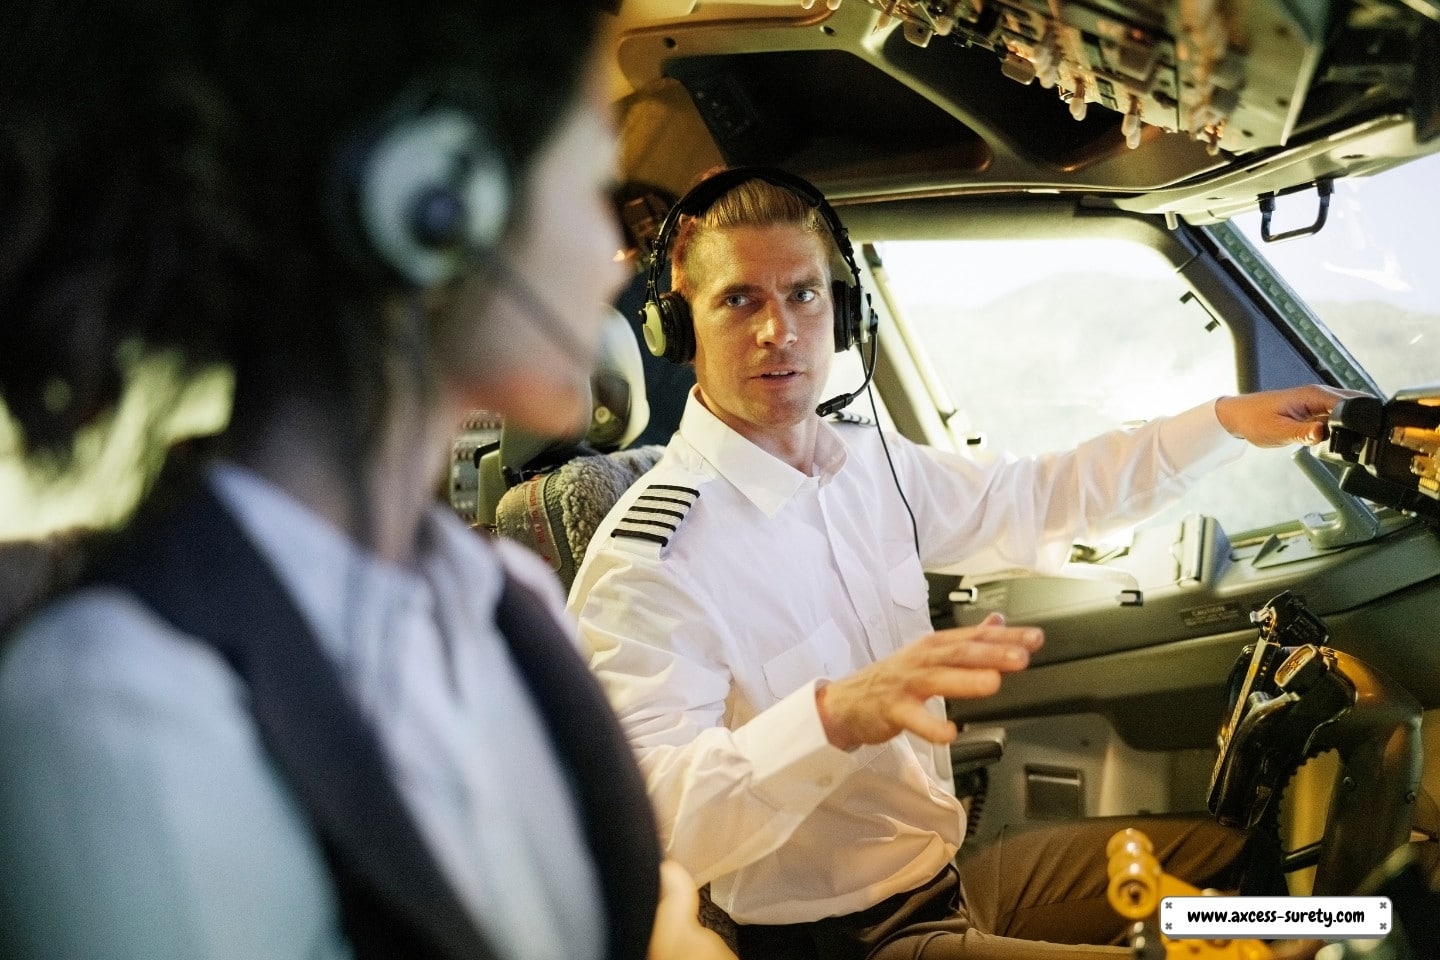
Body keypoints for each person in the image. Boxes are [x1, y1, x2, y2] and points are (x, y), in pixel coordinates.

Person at [0, 4, 733, 960]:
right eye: (595, 188)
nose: (612, 260)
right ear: (434, 201)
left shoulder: (509, 609)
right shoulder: (114, 703)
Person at [568, 167, 1359, 959]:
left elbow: (1034, 499)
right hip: (833, 943)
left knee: (1253, 885)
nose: (780, 330)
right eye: (740, 299)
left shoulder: (868, 463)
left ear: (842, 313)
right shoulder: (653, 557)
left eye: (803, 294)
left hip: (942, 887)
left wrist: (1225, 423)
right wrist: (831, 716)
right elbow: (648, 822)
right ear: (680, 324)